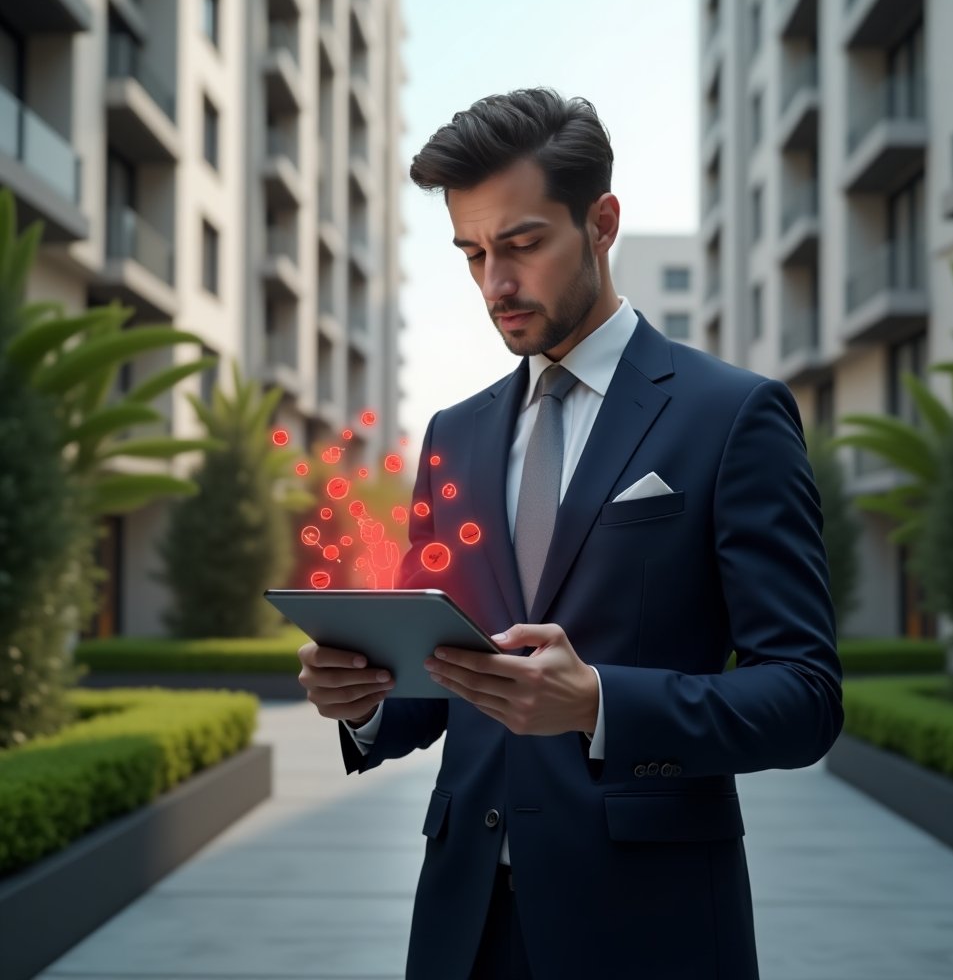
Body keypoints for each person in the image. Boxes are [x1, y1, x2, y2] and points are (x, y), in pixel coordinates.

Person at [297, 87, 843, 980]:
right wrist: (361, 702)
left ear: (602, 222)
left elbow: (806, 697)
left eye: (520, 245)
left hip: (650, 927)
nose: (495, 285)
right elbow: (434, 684)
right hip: (463, 925)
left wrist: (599, 704)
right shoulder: (454, 434)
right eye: (472, 254)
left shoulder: (732, 415)